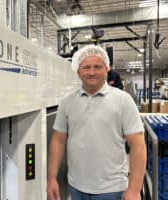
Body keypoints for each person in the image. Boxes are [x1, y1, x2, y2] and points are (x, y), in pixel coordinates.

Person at [47, 45, 146, 200]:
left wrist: (134, 189)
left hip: (112, 189)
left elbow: (138, 145)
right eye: (86, 67)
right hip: (76, 187)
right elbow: (58, 140)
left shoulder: (123, 100)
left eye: (97, 67)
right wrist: (51, 178)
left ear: (106, 69)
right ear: (78, 71)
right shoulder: (67, 102)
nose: (91, 72)